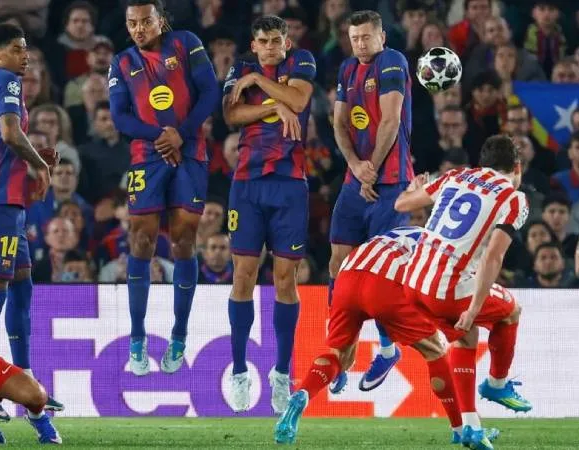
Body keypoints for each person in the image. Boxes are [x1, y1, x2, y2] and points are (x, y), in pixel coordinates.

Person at [273, 226, 499, 447]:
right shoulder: (448, 247)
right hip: (385, 283)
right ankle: (460, 430)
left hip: (348, 276)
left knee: (340, 358)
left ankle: (301, 394)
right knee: (435, 350)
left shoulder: (413, 231)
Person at [396, 134, 533, 449]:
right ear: (516, 166)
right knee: (511, 311)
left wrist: (415, 185)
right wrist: (473, 309)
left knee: (466, 337)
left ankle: (470, 426)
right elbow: (493, 256)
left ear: (482, 163)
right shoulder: (514, 198)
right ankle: (497, 385)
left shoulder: (456, 175)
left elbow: (402, 204)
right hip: (447, 287)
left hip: (413, 281)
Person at [108, 0, 219, 376]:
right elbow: (120, 117)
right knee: (140, 242)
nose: (139, 29)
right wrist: (161, 136)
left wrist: (181, 134)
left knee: (184, 242)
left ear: (161, 20)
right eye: (132, 23)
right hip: (147, 155)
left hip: (190, 151)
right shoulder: (122, 62)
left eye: (146, 21)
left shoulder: (186, 43)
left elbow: (210, 94)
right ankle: (137, 340)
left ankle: (180, 335)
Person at [0, 23, 62, 420]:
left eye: (26, 50)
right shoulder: (6, 81)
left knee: (22, 286)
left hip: (5, 203)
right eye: (17, 49)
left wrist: (32, 156)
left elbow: (3, 143)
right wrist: (39, 166)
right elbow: (8, 133)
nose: (25, 56)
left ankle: (26, 381)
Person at [221, 15, 316, 414]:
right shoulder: (238, 67)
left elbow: (298, 101)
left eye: (278, 40)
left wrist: (262, 87)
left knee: (284, 278)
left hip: (290, 183)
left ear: (287, 43)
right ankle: (240, 370)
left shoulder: (303, 62)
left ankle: (281, 373)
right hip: (247, 182)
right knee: (242, 274)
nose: (272, 46)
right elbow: (230, 115)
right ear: (254, 44)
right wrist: (274, 105)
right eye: (264, 41)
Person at [326, 9, 415, 394]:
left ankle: (387, 348)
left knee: (378, 271)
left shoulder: (392, 61)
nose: (360, 43)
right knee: (338, 263)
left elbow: (391, 121)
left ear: (381, 37)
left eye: (366, 37)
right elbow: (339, 123)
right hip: (356, 180)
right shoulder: (347, 69)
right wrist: (355, 166)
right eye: (354, 37)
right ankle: (338, 354)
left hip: (392, 182)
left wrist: (372, 169)